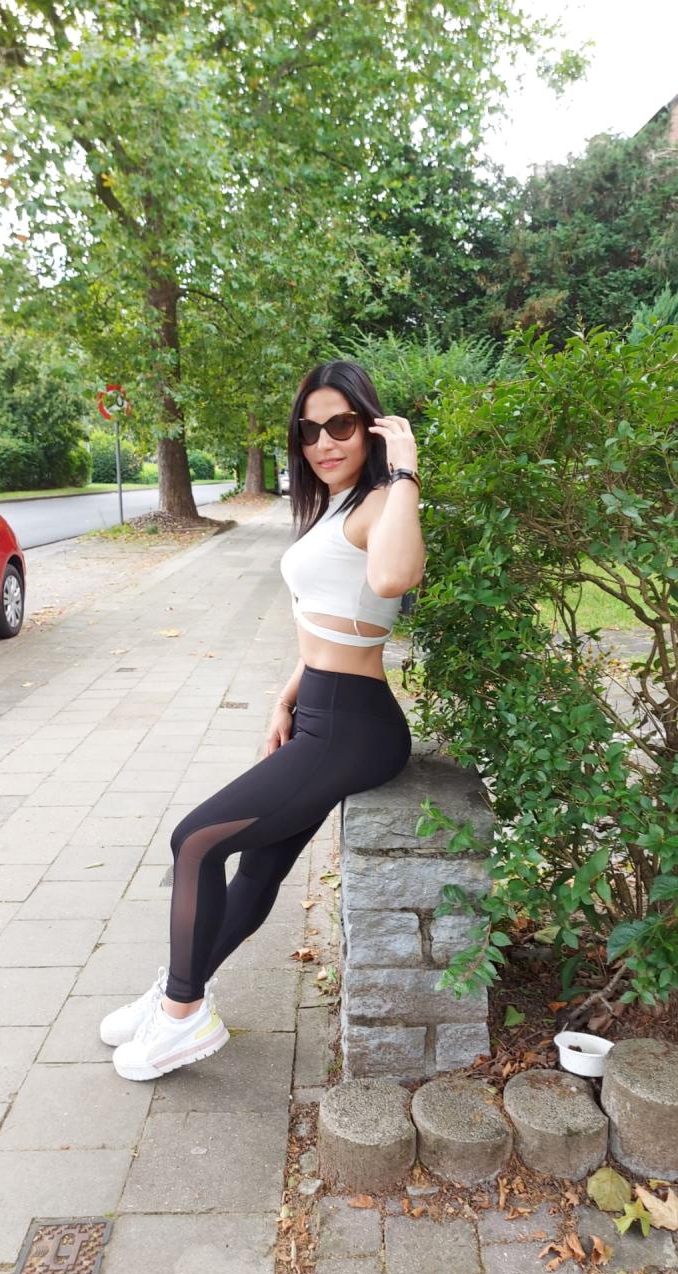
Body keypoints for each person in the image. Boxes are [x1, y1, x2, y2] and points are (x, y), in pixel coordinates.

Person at [101, 359, 425, 1080]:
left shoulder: (381, 502)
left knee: (195, 841)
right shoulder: (337, 504)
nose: (323, 442)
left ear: (371, 426)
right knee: (258, 866)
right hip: (320, 711)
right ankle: (177, 989)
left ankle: (183, 1013)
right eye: (309, 430)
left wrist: (406, 471)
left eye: (340, 425)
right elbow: (328, 618)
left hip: (354, 727)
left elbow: (392, 580)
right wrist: (287, 694)